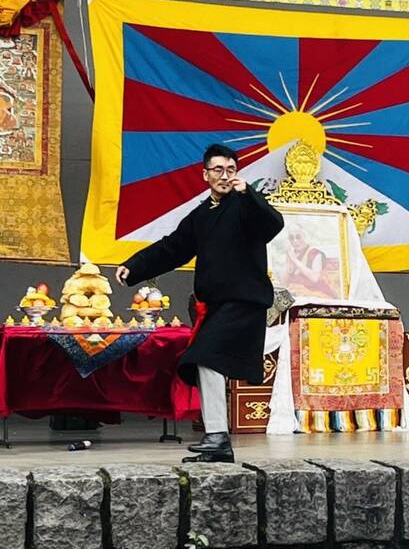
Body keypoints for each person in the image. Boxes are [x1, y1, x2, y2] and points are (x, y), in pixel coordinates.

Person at [115, 144, 284, 463]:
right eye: (218, 170)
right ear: (204, 174)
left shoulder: (245, 206)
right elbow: (172, 248)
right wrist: (134, 266)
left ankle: (218, 437)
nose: (225, 176)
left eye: (231, 170)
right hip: (218, 306)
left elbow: (272, 224)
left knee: (205, 357)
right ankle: (217, 440)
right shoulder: (200, 216)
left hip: (244, 301)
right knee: (201, 362)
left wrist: (249, 193)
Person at [283, 225, 337, 299]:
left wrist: (295, 260)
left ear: (305, 237)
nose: (295, 241)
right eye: (291, 238)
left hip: (315, 292)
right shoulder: (291, 253)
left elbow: (315, 278)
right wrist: (289, 259)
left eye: (298, 237)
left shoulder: (315, 253)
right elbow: (284, 282)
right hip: (295, 292)